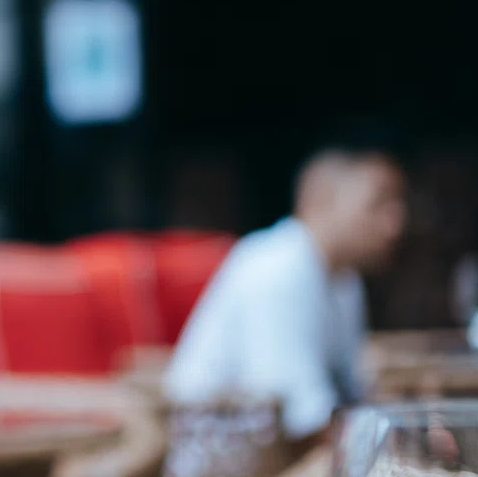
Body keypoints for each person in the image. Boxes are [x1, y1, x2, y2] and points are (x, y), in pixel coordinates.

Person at [161, 134, 408, 441]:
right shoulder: (278, 268)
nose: (396, 222)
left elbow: (352, 390)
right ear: (321, 197)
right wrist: (406, 440)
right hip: (223, 472)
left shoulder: (344, 280)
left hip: (275, 462)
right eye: (379, 203)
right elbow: (305, 421)